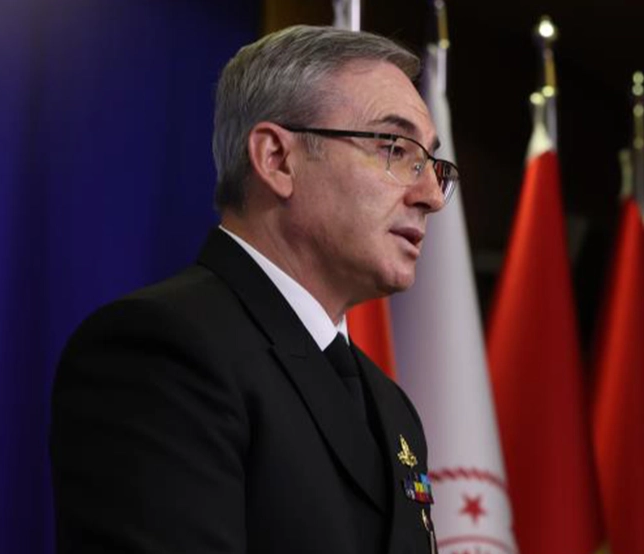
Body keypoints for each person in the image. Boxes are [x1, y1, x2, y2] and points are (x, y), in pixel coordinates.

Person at [50, 24, 458, 554]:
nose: (431, 195)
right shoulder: (162, 352)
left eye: (431, 164)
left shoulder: (392, 407)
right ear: (276, 159)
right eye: (395, 148)